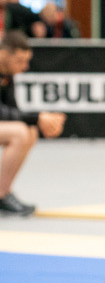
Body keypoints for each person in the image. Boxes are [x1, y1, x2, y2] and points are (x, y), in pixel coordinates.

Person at [0, 30, 65, 216]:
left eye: (26, 61)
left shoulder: (6, 73)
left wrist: (40, 123)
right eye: (20, 60)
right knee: (20, 132)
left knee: (29, 132)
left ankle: (3, 193)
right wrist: (38, 118)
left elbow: (13, 110)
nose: (25, 66)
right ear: (4, 54)